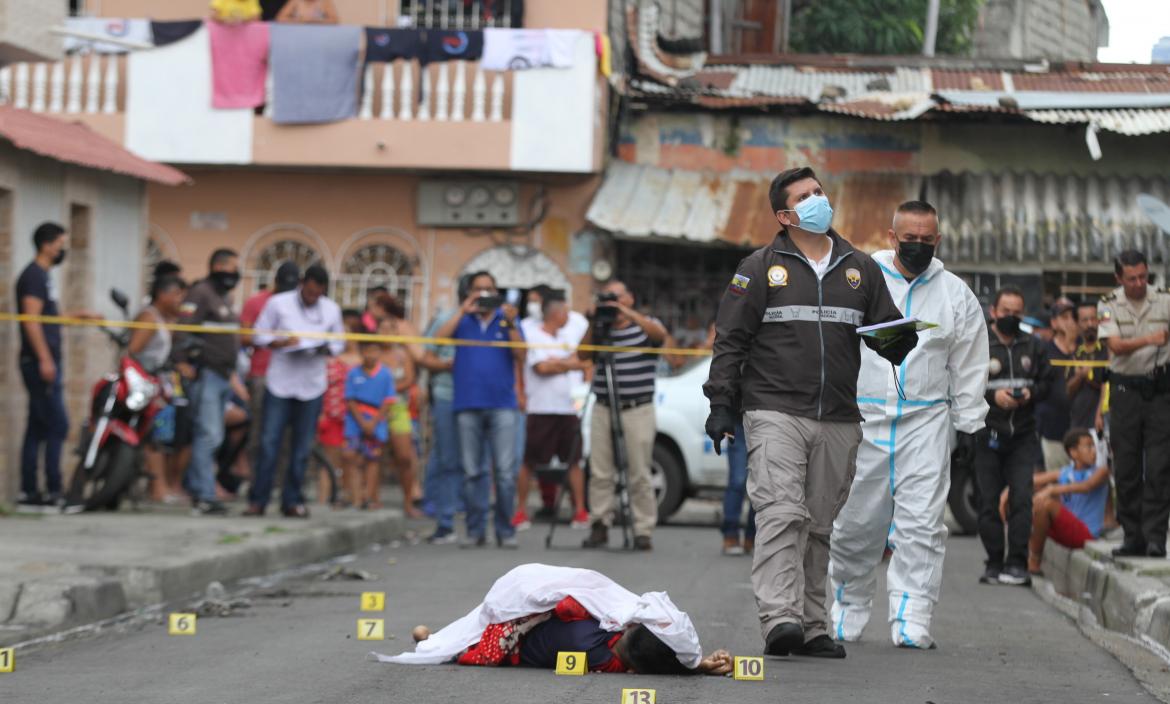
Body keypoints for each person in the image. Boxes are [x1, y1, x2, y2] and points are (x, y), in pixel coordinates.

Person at [703, 166, 917, 659]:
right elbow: (731, 339)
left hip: (839, 415)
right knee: (782, 514)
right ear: (785, 214)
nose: (820, 199)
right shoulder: (757, 268)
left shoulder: (860, 267)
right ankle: (781, 618)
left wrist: (900, 341)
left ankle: (813, 624)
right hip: (774, 409)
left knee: (820, 525)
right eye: (806, 196)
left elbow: (886, 334)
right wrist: (721, 404)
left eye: (820, 191)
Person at [828, 200, 988, 649]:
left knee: (922, 525)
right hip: (864, 418)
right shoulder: (859, 279)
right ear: (891, 237)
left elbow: (970, 363)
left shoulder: (956, 294)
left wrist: (971, 423)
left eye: (925, 240)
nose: (916, 246)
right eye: (908, 239)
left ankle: (911, 618)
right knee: (856, 523)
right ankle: (848, 609)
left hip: (927, 422)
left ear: (937, 241)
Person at [379, 563, 731, 676]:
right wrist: (697, 665)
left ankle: (432, 639)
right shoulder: (615, 659)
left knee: (472, 642)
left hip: (518, 640)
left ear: (634, 629)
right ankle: (433, 637)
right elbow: (659, 658)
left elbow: (564, 605)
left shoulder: (590, 644)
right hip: (533, 616)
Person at [434, 271, 525, 548]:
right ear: (469, 292)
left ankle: (505, 529)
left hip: (503, 405)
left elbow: (521, 355)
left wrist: (510, 322)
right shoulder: (462, 318)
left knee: (506, 473)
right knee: (473, 472)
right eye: (478, 289)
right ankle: (475, 530)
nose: (484, 295)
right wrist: (464, 309)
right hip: (467, 404)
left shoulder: (507, 317)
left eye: (489, 289)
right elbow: (438, 340)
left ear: (497, 291)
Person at [245, 264, 345, 518]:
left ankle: (292, 500)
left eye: (317, 294)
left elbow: (339, 343)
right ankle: (259, 499)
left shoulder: (331, 309)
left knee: (302, 448)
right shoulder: (279, 303)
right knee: (269, 443)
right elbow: (257, 335)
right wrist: (279, 342)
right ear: (302, 284)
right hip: (280, 382)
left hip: (312, 385)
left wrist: (325, 348)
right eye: (309, 292)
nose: (313, 297)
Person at [577, 280, 668, 552]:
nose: (611, 303)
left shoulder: (643, 325)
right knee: (600, 470)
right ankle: (599, 524)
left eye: (616, 297)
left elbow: (659, 337)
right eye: (607, 298)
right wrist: (594, 322)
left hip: (636, 407)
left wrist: (626, 314)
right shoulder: (601, 329)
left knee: (639, 470)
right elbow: (583, 354)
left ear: (629, 298)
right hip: (604, 404)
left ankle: (642, 529)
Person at [15, 223, 98, 509]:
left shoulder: (44, 277)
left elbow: (50, 315)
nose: (63, 249)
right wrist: (45, 359)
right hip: (40, 362)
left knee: (38, 426)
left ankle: (30, 491)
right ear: (47, 245)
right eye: (61, 244)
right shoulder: (34, 276)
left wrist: (80, 315)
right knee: (57, 425)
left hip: (45, 360)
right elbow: (32, 319)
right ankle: (52, 490)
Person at [975, 286, 1052, 586]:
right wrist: (995, 398)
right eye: (1005, 312)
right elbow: (964, 384)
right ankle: (994, 561)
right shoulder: (979, 344)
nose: (1010, 317)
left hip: (1022, 434)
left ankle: (1017, 563)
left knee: (1022, 499)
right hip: (987, 433)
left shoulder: (1033, 346)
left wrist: (1030, 393)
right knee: (988, 501)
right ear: (994, 312)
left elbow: (1048, 384)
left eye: (1016, 312)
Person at [1097, 249, 1170, 558]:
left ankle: (1155, 537)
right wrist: (1150, 339)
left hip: (1160, 391)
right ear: (1119, 278)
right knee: (1126, 466)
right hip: (1125, 391)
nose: (1139, 283)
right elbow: (1115, 346)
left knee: (1159, 467)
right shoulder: (1108, 304)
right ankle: (1133, 535)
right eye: (1132, 278)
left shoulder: (1164, 299)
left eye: (1143, 276)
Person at [513, 295, 591, 531]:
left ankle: (580, 511)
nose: (569, 316)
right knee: (529, 461)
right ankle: (520, 511)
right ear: (555, 313)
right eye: (566, 312)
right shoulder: (533, 334)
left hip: (568, 409)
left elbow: (583, 362)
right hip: (540, 408)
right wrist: (569, 364)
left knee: (574, 461)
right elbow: (542, 367)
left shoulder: (566, 336)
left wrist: (563, 363)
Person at [177, 248, 243, 515]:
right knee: (209, 435)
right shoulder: (201, 293)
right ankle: (203, 494)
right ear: (217, 266)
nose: (234, 274)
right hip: (205, 374)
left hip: (223, 375)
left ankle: (202, 489)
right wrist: (182, 361)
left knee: (213, 436)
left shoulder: (223, 297)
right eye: (231, 267)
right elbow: (183, 328)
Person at [1011, 428, 1110, 573]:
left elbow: (1086, 486)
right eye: (1088, 446)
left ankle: (1034, 560)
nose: (1094, 451)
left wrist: (1052, 489)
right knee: (1033, 501)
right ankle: (1017, 556)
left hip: (1086, 534)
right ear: (1073, 452)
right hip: (1067, 532)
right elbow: (1032, 480)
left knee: (1047, 504)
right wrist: (1009, 491)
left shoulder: (1101, 471)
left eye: (1094, 446)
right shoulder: (1066, 472)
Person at [128, 275, 188, 502]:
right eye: (176, 295)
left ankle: (163, 486)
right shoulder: (149, 317)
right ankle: (157, 489)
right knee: (154, 435)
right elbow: (133, 352)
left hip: (159, 387)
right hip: (146, 387)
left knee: (163, 436)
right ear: (162, 294)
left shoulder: (163, 318)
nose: (179, 300)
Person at [240, 262, 302, 465]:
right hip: (262, 373)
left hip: (292, 375)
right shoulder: (256, 302)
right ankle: (257, 478)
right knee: (262, 429)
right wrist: (276, 341)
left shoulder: (300, 304)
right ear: (274, 282)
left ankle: (280, 480)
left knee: (288, 431)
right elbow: (245, 336)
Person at [372, 293, 423, 517]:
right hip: (374, 410)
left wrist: (389, 392)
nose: (388, 334)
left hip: (399, 409)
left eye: (392, 329)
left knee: (404, 457)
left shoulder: (403, 355)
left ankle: (408, 501)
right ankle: (372, 499)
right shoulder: (372, 356)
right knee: (374, 456)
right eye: (383, 329)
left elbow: (409, 379)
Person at [344, 339, 397, 509]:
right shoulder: (353, 373)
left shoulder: (386, 374)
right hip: (355, 422)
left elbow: (388, 400)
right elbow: (350, 399)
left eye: (375, 350)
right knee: (352, 458)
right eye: (367, 350)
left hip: (376, 422)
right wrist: (361, 421)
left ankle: (370, 497)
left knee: (373, 459)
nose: (371, 355)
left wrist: (373, 423)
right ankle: (356, 498)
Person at [317, 315, 361, 506]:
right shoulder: (328, 360)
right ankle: (324, 500)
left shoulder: (361, 361)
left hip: (356, 418)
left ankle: (353, 499)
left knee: (352, 461)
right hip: (331, 414)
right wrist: (320, 412)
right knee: (329, 461)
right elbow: (320, 387)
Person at [1035, 299, 1078, 472]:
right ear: (1053, 322)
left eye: (1072, 317)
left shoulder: (1084, 348)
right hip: (1051, 429)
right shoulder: (1043, 350)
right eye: (1064, 317)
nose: (1069, 321)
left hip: (1081, 427)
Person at [1068, 300, 1109, 433]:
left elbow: (1110, 385)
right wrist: (1080, 376)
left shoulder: (1109, 350)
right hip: (1078, 422)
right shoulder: (1073, 352)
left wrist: (1089, 375)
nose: (1090, 324)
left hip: (1104, 421)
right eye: (1084, 320)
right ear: (1077, 323)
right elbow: (1067, 391)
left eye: (1093, 318)